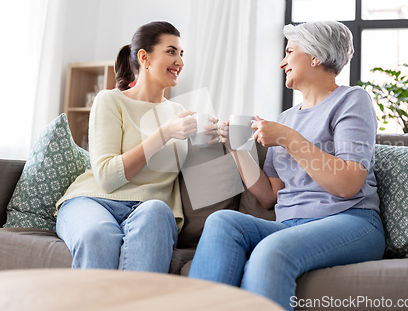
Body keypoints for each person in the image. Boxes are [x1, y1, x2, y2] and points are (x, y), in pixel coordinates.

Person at [188, 21, 385, 310]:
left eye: (290, 51)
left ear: (316, 56)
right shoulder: (285, 118)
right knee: (222, 222)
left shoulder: (351, 100)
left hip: (351, 219)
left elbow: (348, 184)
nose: (282, 62)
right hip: (290, 226)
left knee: (271, 251)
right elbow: (269, 195)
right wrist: (236, 147)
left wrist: (287, 138)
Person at [55, 21, 218, 272]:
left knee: (157, 213)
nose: (180, 62)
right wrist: (164, 133)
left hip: (149, 207)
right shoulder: (110, 100)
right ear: (145, 57)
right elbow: (108, 178)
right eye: (171, 51)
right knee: (98, 237)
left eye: (182, 54)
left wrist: (214, 138)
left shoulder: (179, 113)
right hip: (95, 201)